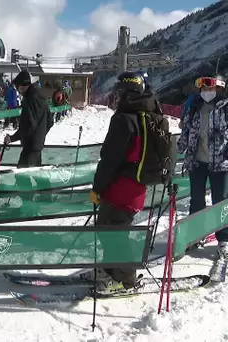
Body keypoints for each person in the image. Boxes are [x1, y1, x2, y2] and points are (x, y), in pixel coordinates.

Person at [89, 71, 164, 290]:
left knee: (114, 234)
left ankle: (124, 279)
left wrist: (97, 188)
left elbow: (109, 159)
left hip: (119, 188)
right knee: (110, 230)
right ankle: (110, 269)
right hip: (136, 188)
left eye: (119, 91)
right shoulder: (150, 115)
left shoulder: (124, 119)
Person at [178, 75, 228, 253]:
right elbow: (186, 132)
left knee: (220, 202)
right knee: (197, 200)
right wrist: (177, 149)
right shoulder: (194, 107)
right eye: (204, 89)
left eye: (210, 89)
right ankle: (195, 235)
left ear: (220, 89)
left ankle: (224, 240)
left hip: (220, 163)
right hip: (197, 161)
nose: (207, 92)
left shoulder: (225, 109)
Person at [4, 71, 53, 167]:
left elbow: (28, 126)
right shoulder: (40, 97)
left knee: (22, 177)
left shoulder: (30, 100)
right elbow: (50, 121)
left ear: (22, 85)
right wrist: (40, 136)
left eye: (17, 87)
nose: (18, 90)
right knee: (36, 175)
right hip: (37, 146)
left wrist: (12, 138)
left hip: (30, 147)